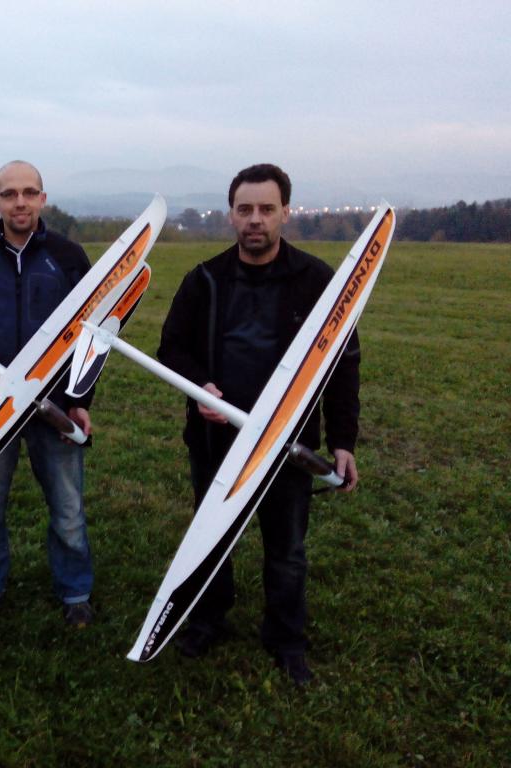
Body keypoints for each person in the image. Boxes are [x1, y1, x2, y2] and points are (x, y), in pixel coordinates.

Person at [157, 163, 360, 685]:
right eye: (245, 209)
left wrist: (343, 441)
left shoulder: (318, 281)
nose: (255, 220)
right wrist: (199, 386)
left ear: (285, 213)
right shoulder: (204, 279)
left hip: (288, 445)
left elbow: (343, 363)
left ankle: (286, 638)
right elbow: (172, 348)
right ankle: (207, 619)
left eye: (267, 209)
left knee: (287, 550)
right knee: (211, 539)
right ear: (230, 215)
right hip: (215, 439)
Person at [0, 160, 97, 628]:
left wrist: (81, 401)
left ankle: (76, 593)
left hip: (55, 406)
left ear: (43, 199)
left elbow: (94, 336)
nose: (20, 202)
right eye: (9, 194)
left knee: (68, 509)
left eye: (29, 192)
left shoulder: (69, 257)